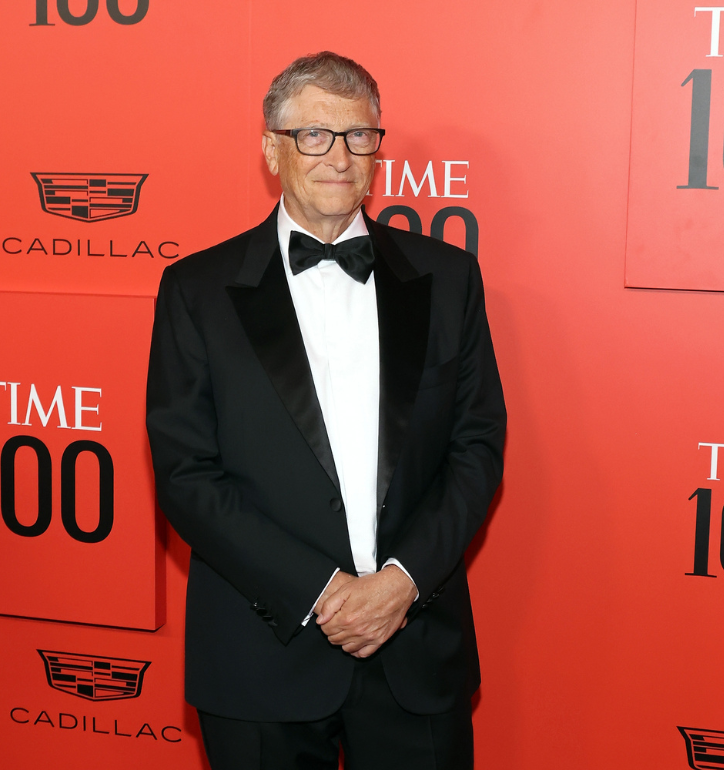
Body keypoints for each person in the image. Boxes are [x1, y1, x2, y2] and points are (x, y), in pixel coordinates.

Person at [146, 51, 506, 770]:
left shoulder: (449, 279)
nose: (339, 157)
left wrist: (400, 582)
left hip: (414, 649)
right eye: (314, 135)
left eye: (359, 136)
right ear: (271, 149)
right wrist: (324, 592)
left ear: (378, 149)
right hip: (260, 651)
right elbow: (188, 475)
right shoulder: (196, 291)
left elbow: (477, 447)